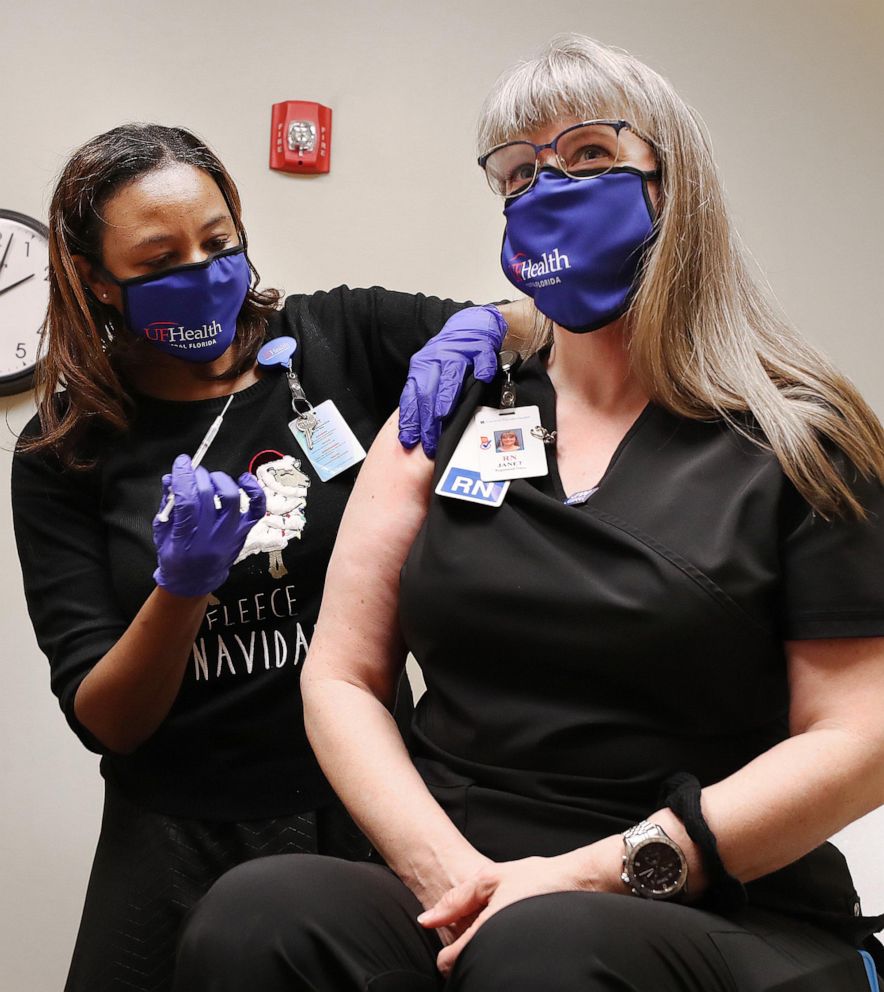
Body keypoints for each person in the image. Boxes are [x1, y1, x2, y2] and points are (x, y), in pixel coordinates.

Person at [173, 34, 884, 992]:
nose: (546, 187)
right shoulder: (449, 409)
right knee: (256, 916)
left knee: (544, 953)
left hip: (716, 896)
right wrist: (450, 874)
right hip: (471, 884)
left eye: (589, 154)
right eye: (518, 171)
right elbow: (340, 676)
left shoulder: (800, 439)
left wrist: (595, 874)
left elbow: (857, 739)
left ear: (673, 185)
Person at [10, 122, 528, 992]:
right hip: (177, 828)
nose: (205, 273)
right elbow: (108, 717)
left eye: (219, 243)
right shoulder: (66, 451)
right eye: (160, 261)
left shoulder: (336, 340)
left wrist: (490, 322)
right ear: (98, 280)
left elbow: (538, 330)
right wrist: (181, 586)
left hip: (367, 808)